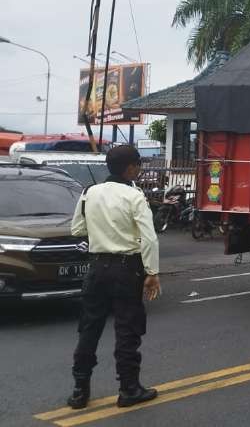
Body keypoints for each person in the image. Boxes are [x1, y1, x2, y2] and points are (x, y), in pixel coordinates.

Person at [67, 145, 161, 409]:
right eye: (138, 165)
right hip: (126, 268)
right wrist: (152, 273)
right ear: (130, 168)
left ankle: (79, 391)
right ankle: (129, 388)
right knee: (127, 329)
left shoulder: (89, 193)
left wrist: (100, 234)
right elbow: (150, 239)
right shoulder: (134, 196)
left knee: (89, 328)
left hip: (96, 268)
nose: (140, 169)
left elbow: (77, 229)